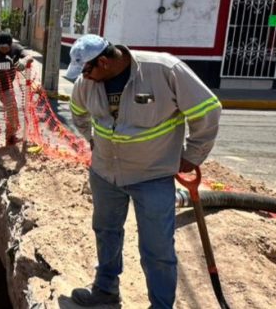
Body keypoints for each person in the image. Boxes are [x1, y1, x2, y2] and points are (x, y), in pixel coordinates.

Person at [66, 35, 221, 309]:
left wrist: (192, 156)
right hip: (105, 173)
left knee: (156, 248)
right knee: (106, 232)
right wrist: (91, 138)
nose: (84, 78)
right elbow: (78, 111)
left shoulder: (163, 70)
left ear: (103, 62)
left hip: (152, 176)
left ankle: (160, 306)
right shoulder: (86, 83)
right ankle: (105, 291)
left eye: (87, 71)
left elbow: (207, 110)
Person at [0, 33, 26, 149]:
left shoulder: (15, 49)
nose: (3, 50)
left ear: (10, 45)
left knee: (13, 111)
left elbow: (28, 56)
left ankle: (10, 136)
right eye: (1, 47)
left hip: (7, 89)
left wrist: (24, 61)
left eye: (6, 48)